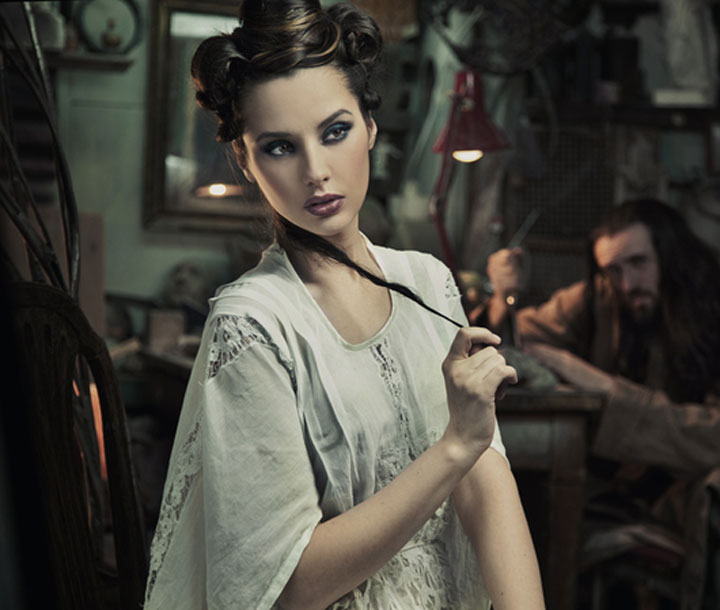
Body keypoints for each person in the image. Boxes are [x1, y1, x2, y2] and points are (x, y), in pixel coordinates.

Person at [143, 1, 545, 608]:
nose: (316, 171)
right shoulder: (253, 325)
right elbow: (287, 587)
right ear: (245, 161)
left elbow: (488, 479)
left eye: (335, 132)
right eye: (280, 146)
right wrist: (454, 447)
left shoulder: (429, 284)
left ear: (370, 128)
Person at [483, 198, 720, 609]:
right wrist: (504, 297)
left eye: (638, 263)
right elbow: (515, 337)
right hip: (610, 487)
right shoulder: (601, 296)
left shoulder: (712, 307)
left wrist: (597, 383)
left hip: (684, 490)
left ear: (670, 255)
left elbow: (711, 436)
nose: (626, 284)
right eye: (613, 270)